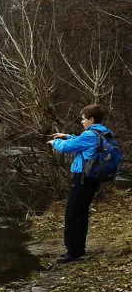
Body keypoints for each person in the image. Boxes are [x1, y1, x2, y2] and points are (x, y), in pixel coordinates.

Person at [47, 103, 113, 263]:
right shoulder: (102, 132)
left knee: (72, 214)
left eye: (83, 119)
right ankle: (78, 249)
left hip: (82, 179)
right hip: (92, 179)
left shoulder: (90, 135)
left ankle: (73, 252)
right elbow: (79, 141)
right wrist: (66, 135)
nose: (82, 122)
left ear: (91, 119)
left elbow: (68, 148)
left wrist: (54, 143)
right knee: (81, 213)